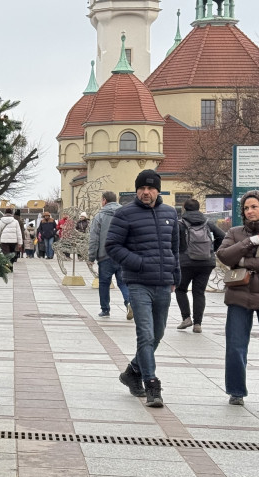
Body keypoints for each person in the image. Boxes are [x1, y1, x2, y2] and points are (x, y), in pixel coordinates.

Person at [106, 169, 180, 408]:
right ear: (136, 190)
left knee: (157, 335)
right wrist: (137, 263)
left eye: (150, 188)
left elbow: (174, 248)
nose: (146, 192)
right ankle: (151, 384)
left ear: (158, 190)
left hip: (163, 284)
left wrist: (175, 275)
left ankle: (132, 372)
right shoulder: (124, 214)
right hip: (138, 284)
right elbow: (112, 246)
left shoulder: (170, 213)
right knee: (145, 335)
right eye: (142, 188)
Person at [216, 191, 259, 406]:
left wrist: (242, 262)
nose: (250, 211)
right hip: (239, 295)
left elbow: (234, 260)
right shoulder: (234, 232)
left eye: (254, 207)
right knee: (235, 345)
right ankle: (236, 390)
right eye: (246, 208)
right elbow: (223, 256)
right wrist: (250, 242)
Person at [175, 198, 225, 333]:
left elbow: (173, 243)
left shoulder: (180, 224)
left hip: (186, 262)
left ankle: (186, 318)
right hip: (206, 262)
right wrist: (212, 249)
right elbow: (222, 236)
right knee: (199, 292)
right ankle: (198, 324)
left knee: (180, 290)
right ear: (198, 209)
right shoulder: (207, 223)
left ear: (184, 208)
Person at [88, 191, 133, 320]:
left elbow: (94, 239)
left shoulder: (99, 216)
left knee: (104, 283)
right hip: (123, 255)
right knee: (123, 282)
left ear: (104, 200)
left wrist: (91, 257)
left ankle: (105, 309)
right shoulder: (126, 214)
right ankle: (129, 302)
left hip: (105, 255)